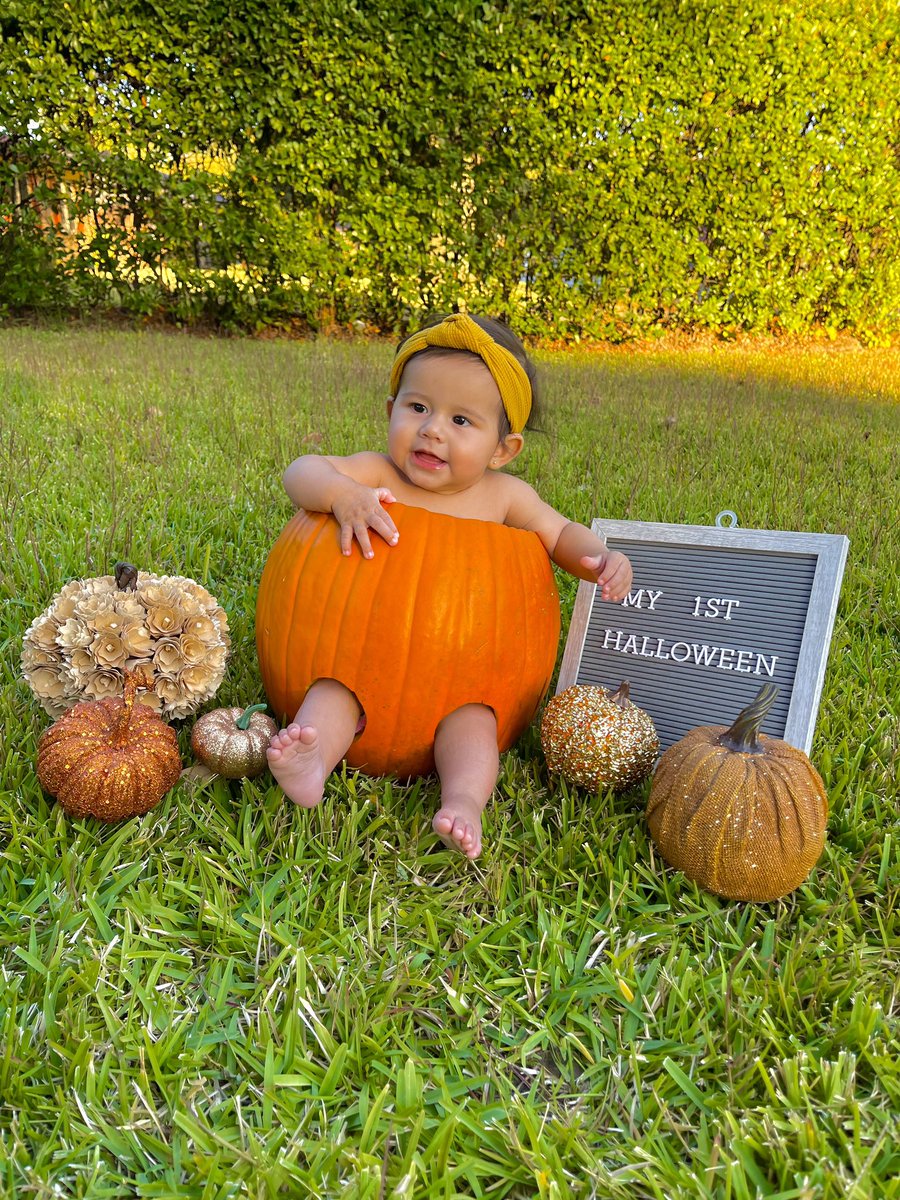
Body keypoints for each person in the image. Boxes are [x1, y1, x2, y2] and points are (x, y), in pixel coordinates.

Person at [266, 313, 633, 858]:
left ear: (502, 449)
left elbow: (559, 536)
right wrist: (341, 494)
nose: (433, 429)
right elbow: (301, 471)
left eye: (462, 420)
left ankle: (463, 801)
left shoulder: (507, 498)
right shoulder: (374, 473)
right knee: (330, 693)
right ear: (391, 411)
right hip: (356, 654)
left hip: (463, 672)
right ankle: (313, 761)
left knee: (476, 723)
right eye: (418, 408)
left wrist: (598, 558)